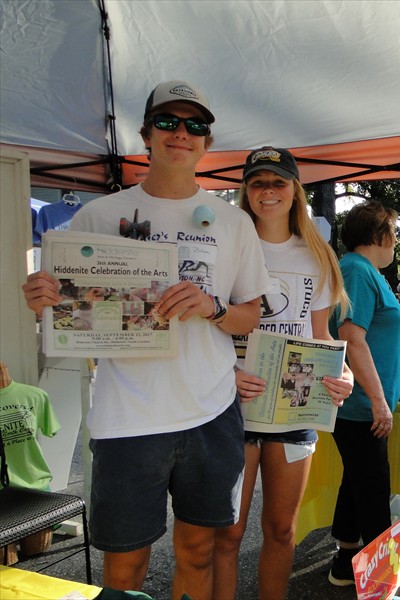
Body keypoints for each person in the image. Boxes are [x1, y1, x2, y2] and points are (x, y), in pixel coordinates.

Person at [21, 80, 270, 599]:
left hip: (210, 411)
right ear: (146, 134)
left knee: (198, 553)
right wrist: (47, 298)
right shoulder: (96, 217)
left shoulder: (234, 222)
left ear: (206, 142)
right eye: (168, 122)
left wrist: (213, 307)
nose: (182, 133)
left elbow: (249, 315)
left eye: (195, 126)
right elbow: (68, 316)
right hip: (127, 418)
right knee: (125, 571)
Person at [213, 147, 354, 600]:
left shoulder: (317, 254)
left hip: (293, 412)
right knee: (228, 534)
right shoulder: (227, 246)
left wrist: (344, 372)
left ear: (295, 190)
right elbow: (205, 327)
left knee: (281, 530)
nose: (268, 191)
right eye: (258, 183)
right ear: (245, 192)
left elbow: (321, 337)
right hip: (231, 409)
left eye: (278, 182)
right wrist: (225, 374)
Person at [327, 201, 400, 587]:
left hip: (363, 405)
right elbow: (352, 339)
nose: (396, 243)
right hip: (360, 406)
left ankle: (345, 562)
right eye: (394, 234)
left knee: (357, 480)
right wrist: (378, 402)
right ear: (381, 235)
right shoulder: (357, 269)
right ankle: (380, 581)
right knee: (374, 489)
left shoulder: (364, 271)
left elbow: (381, 336)